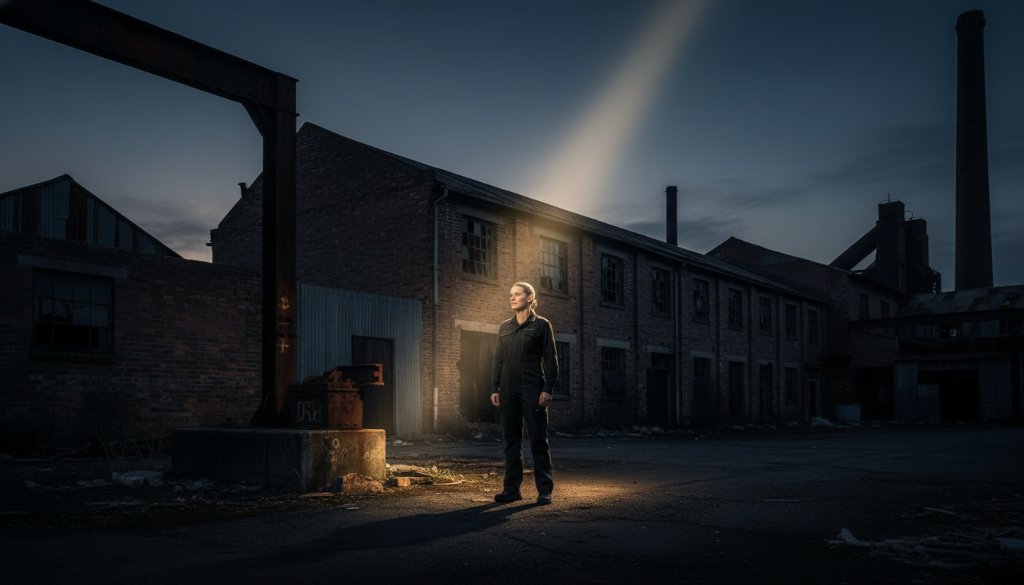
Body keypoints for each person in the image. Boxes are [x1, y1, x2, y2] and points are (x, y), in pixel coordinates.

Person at [490, 281, 559, 505]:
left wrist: (547, 388)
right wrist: (494, 387)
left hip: (533, 389)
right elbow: (498, 360)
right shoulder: (505, 327)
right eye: (510, 294)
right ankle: (511, 490)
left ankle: (544, 490)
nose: (512, 297)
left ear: (529, 298)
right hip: (509, 390)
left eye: (517, 294)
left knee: (538, 439)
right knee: (511, 441)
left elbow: (551, 359)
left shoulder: (541, 325)